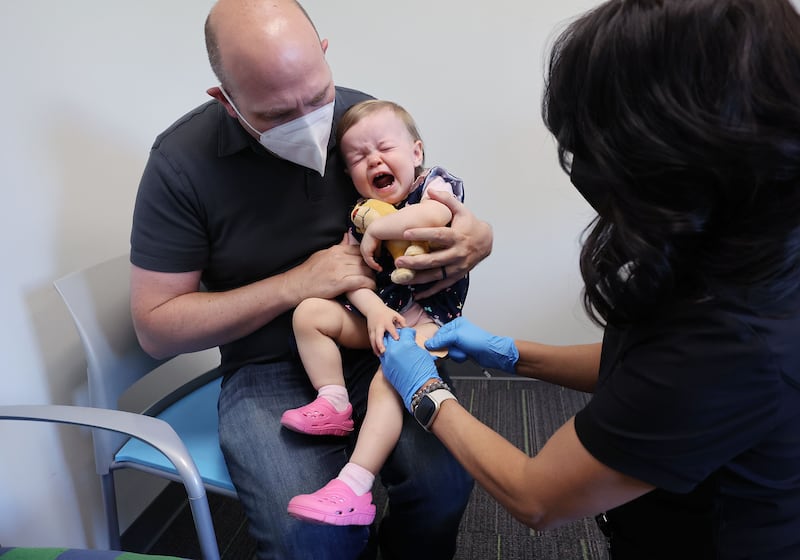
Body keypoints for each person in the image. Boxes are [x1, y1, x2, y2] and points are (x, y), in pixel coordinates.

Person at [378, 0, 800, 558]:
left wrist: (425, 393)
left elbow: (538, 497)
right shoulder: (735, 236)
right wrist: (511, 353)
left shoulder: (739, 340)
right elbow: (647, 370)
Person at [128, 1, 492, 558]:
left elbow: (434, 204)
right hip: (266, 367)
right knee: (312, 536)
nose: (310, 123)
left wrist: (479, 239)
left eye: (318, 97)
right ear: (225, 100)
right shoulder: (181, 164)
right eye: (277, 114)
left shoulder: (362, 124)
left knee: (445, 482)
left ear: (324, 56)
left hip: (378, 339)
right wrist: (296, 283)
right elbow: (156, 327)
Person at [282, 99, 469, 527]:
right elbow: (351, 280)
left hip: (428, 323)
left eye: (385, 146)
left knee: (393, 372)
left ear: (416, 153)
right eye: (359, 158)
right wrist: (373, 312)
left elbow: (435, 215)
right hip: (380, 317)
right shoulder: (360, 218)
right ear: (350, 175)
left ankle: (354, 486)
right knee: (309, 311)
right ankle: (333, 402)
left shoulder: (435, 186)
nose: (374, 160)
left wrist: (380, 230)